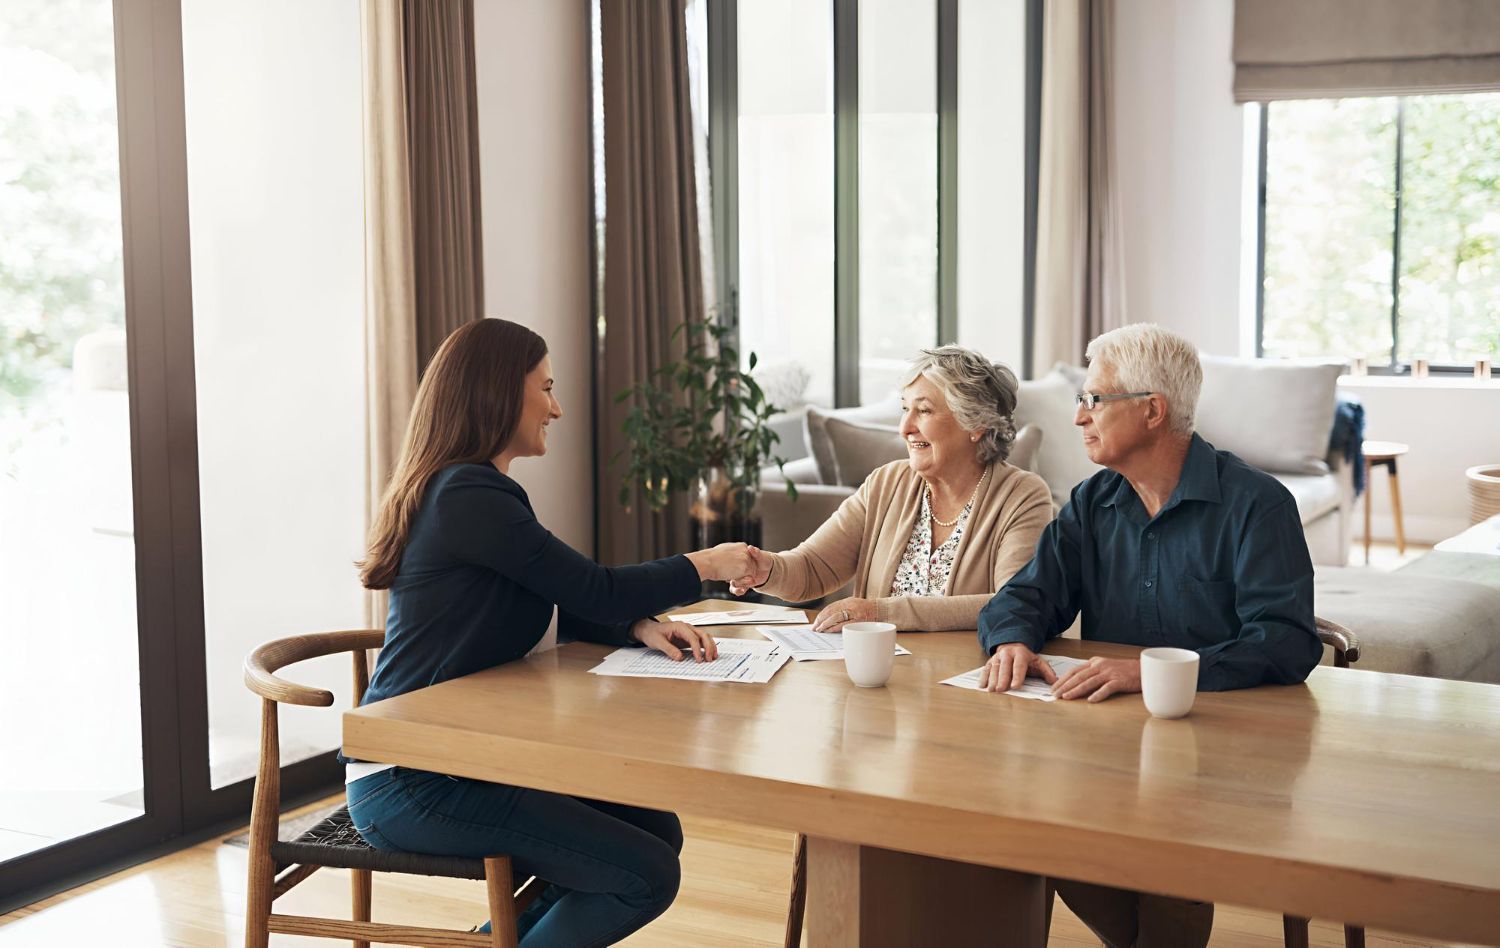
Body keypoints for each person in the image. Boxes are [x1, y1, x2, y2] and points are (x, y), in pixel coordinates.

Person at [346, 318, 759, 947]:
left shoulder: (473, 490)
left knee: (655, 832)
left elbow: (561, 598)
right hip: (416, 778)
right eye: (546, 388)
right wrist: (704, 566)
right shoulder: (468, 494)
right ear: (498, 392)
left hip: (462, 763)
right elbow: (593, 584)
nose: (557, 408)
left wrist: (639, 625)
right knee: (642, 872)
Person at [976, 323, 1322, 947]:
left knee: (1171, 845)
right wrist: (1013, 639)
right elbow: (1025, 596)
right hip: (1112, 749)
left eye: (1094, 400)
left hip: (1227, 755)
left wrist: (1153, 672)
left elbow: (1287, 640)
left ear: (1153, 411)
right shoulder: (1090, 503)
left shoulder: (1258, 505)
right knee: (1021, 821)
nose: (1079, 416)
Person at [733, 346, 1053, 632]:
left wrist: (881, 611)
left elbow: (1014, 604)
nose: (905, 428)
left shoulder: (1022, 496)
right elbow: (814, 567)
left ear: (976, 425)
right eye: (905, 409)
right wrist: (766, 570)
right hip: (880, 674)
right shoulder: (886, 483)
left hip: (965, 679)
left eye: (924, 411)